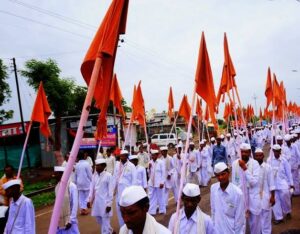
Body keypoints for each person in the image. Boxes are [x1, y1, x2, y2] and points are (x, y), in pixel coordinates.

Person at [231, 143, 260, 233]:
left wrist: (245, 168)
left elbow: (254, 182)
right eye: (242, 152)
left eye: (246, 152)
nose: (243, 154)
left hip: (252, 196)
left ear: (249, 152)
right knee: (240, 221)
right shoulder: (235, 163)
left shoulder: (254, 163)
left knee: (254, 221)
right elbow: (234, 182)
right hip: (240, 197)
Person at [210, 162, 245, 234]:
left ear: (229, 173)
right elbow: (213, 210)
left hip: (231, 231)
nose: (221, 177)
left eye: (223, 174)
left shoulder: (237, 193)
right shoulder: (213, 188)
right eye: (218, 175)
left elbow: (239, 219)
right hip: (216, 230)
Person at [268, 144, 294, 224]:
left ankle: (288, 211)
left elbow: (288, 172)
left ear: (280, 151)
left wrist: (291, 183)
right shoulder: (269, 160)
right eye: (275, 151)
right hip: (273, 183)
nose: (276, 153)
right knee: (275, 201)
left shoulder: (284, 160)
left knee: (285, 196)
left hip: (283, 183)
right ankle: (279, 217)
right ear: (273, 151)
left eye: (278, 151)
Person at [87, 159, 113, 234]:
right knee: (98, 219)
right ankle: (110, 230)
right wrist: (89, 200)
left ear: (104, 166)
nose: (96, 167)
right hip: (97, 202)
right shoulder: (94, 176)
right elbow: (91, 189)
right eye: (96, 165)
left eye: (98, 165)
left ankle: (106, 231)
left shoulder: (108, 176)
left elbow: (110, 191)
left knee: (105, 220)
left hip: (105, 202)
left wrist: (109, 204)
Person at [253, 148, 275, 234]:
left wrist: (273, 196)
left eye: (260, 155)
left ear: (263, 156)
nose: (258, 157)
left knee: (266, 216)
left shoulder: (268, 167)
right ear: (254, 157)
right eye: (256, 155)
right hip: (255, 197)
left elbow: (272, 183)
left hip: (266, 196)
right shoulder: (251, 168)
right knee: (257, 217)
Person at [113, 150, 137, 226]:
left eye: (123, 156)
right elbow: (114, 178)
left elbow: (134, 180)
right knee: (119, 210)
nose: (122, 157)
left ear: (127, 156)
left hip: (127, 192)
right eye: (121, 156)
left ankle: (129, 226)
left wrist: (132, 192)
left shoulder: (131, 166)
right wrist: (113, 190)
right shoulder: (117, 165)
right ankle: (122, 227)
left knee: (128, 209)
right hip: (118, 192)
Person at [54, 166, 79, 234]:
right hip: (60, 221)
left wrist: (71, 220)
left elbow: (75, 204)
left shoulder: (71, 186)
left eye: (56, 174)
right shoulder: (57, 187)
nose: (54, 176)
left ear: (62, 174)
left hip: (69, 220)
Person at [148, 149, 166, 215]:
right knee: (152, 197)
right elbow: (149, 174)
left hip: (159, 183)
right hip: (152, 183)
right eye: (152, 155)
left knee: (160, 196)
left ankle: (162, 210)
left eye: (154, 155)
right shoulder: (150, 162)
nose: (152, 156)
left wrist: (162, 182)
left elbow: (163, 173)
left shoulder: (161, 162)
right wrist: (148, 168)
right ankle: (152, 211)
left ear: (157, 155)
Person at [74, 151, 92, 215]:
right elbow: (89, 174)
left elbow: (75, 175)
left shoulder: (77, 165)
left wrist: (75, 182)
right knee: (87, 196)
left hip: (79, 183)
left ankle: (82, 209)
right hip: (86, 182)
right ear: (84, 156)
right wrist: (92, 180)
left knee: (81, 196)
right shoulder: (86, 164)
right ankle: (84, 209)